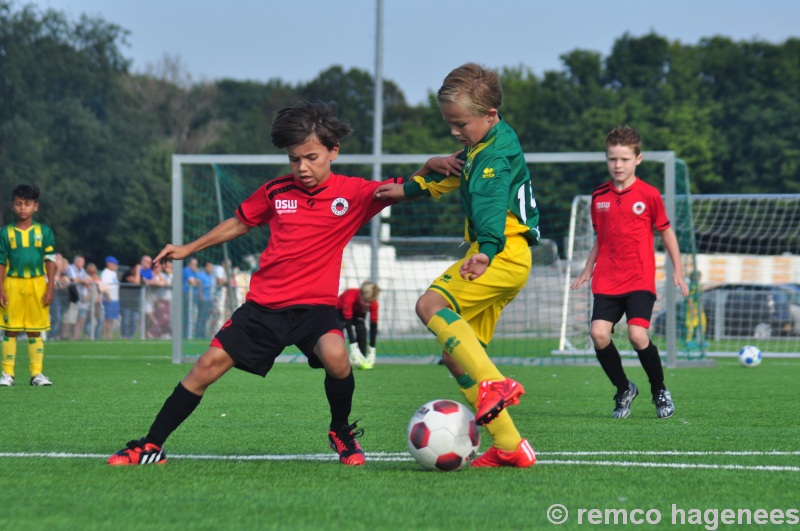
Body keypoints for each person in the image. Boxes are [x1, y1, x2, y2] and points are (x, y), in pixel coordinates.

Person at [107, 100, 402, 467]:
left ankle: (340, 432)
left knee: (338, 357)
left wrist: (433, 170)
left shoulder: (355, 193)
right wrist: (188, 247)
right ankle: (150, 445)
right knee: (206, 367)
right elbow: (240, 222)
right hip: (264, 306)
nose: (302, 167)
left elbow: (401, 189)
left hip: (315, 309)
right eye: (295, 159)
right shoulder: (276, 192)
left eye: (311, 157)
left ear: (333, 152)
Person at [375, 63, 540, 468]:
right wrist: (412, 182)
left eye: (460, 123)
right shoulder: (490, 142)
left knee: (429, 306)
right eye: (449, 123)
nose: (454, 131)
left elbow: (487, 199)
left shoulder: (491, 160)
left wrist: (485, 250)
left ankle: (496, 385)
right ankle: (509, 446)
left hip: (498, 254)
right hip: (502, 256)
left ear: (489, 115)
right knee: (456, 357)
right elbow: (448, 176)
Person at [570, 125, 689, 420]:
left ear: (638, 159)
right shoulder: (599, 197)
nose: (617, 165)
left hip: (639, 280)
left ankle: (659, 389)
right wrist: (588, 268)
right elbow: (602, 238)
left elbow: (667, 232)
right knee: (598, 333)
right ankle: (623, 388)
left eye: (624, 159)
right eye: (612, 159)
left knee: (637, 335)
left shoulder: (649, 195)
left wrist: (679, 269)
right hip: (607, 280)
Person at [0, 184, 56, 386]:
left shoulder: (45, 232)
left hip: (37, 284)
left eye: (27, 204)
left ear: (36, 207)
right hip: (13, 283)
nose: (23, 208)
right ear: (12, 206)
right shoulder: (5, 233)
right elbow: (1, 261)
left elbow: (50, 260)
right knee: (10, 329)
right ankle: (7, 374)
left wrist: (50, 287)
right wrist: (0, 288)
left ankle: (36, 374)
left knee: (35, 330)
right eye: (19, 204)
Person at [337, 281, 380, 370]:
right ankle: (337, 360)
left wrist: (372, 351)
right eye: (365, 301)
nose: (368, 305)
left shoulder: (374, 304)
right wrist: (353, 348)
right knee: (338, 332)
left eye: (370, 302)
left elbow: (373, 326)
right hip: (339, 312)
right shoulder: (350, 297)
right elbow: (348, 323)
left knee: (361, 329)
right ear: (360, 295)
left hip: (357, 313)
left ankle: (361, 358)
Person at [61, 254, 91, 340]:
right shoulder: (70, 268)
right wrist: (83, 281)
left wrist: (85, 281)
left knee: (77, 318)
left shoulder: (82, 270)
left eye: (83, 262)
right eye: (81, 261)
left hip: (80, 297)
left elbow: (87, 279)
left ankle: (75, 336)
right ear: (76, 261)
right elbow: (74, 279)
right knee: (69, 317)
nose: (82, 263)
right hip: (71, 296)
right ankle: (63, 335)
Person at [100, 256, 121, 339]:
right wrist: (107, 296)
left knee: (112, 319)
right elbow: (104, 287)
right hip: (109, 299)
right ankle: (104, 335)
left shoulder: (113, 273)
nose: (115, 265)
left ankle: (110, 335)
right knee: (107, 318)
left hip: (115, 298)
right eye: (114, 263)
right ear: (108, 264)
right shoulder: (105, 273)